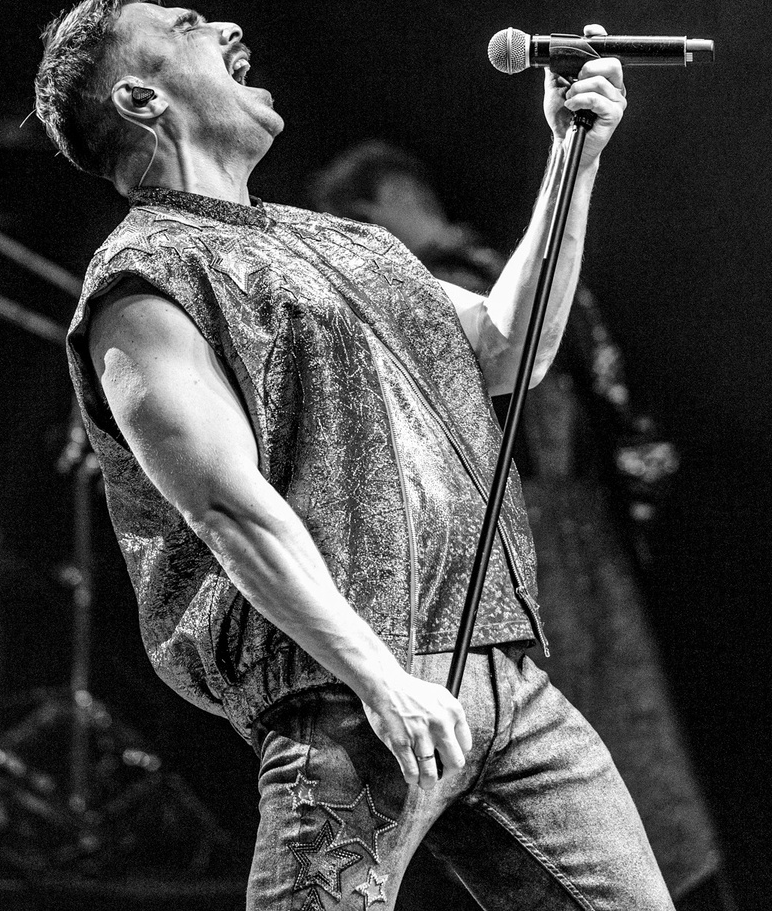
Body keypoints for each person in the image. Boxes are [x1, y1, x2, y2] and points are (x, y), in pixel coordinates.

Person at [36, 0, 671, 909]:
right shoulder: (144, 280)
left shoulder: (351, 247)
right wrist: (379, 679)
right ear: (140, 97)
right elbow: (225, 506)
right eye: (188, 26)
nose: (229, 25)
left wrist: (574, 155)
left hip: (502, 675)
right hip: (347, 701)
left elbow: (511, 348)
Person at [310, 141, 729, 908]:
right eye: (388, 197)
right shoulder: (406, 289)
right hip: (503, 537)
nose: (414, 203)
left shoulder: (487, 266)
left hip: (575, 527)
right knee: (550, 736)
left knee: (631, 735)